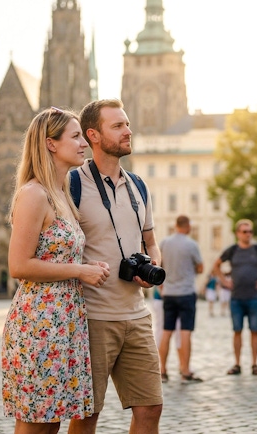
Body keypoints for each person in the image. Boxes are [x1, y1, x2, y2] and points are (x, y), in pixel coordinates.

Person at [2, 107, 109, 433]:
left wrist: (87, 266)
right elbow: (19, 266)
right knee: (36, 425)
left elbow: (54, 255)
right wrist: (79, 270)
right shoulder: (34, 194)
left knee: (52, 425)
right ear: (51, 143)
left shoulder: (61, 195)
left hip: (66, 322)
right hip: (40, 321)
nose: (84, 144)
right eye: (76, 136)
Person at [69, 99, 163, 434]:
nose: (128, 130)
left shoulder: (139, 185)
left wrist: (153, 267)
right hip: (92, 318)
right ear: (92, 135)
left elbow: (150, 242)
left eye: (127, 123)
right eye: (118, 126)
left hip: (136, 315)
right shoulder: (72, 185)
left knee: (150, 408)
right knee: (86, 414)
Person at [213, 219, 257, 376]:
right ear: (237, 233)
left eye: (250, 231)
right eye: (245, 231)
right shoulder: (232, 250)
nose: (248, 234)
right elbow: (216, 265)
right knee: (237, 331)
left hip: (254, 297)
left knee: (254, 330)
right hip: (236, 298)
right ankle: (237, 364)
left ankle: (255, 364)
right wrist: (224, 281)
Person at [158, 215, 204, 384]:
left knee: (166, 332)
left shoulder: (164, 243)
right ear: (188, 226)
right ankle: (185, 370)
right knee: (185, 332)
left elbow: (159, 266)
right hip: (186, 292)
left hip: (169, 293)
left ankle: (162, 371)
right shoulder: (191, 244)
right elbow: (200, 267)